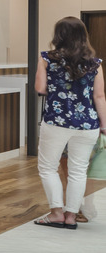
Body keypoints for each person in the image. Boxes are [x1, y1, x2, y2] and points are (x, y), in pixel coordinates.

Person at [33, 16, 105, 230]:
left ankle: (56, 213)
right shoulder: (95, 63)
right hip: (87, 124)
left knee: (47, 167)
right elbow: (99, 96)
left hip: (56, 121)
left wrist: (60, 90)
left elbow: (40, 88)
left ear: (58, 35)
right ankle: (72, 216)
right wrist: (104, 125)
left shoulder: (47, 58)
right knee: (78, 171)